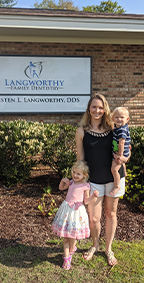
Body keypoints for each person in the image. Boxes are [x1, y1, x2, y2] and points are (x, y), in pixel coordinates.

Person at [75, 93, 129, 266]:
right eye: (94, 107)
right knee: (94, 218)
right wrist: (78, 181)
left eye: (100, 107)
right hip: (94, 181)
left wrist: (125, 159)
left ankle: (108, 249)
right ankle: (95, 245)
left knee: (111, 213)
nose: (97, 110)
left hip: (114, 179)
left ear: (104, 109)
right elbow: (81, 158)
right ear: (89, 109)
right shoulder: (81, 131)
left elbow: (127, 146)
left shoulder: (113, 128)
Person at [52, 160, 99, 270]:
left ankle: (72, 249)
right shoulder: (71, 182)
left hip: (76, 212)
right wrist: (63, 181)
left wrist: (93, 197)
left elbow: (86, 201)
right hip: (67, 210)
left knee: (72, 237)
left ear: (84, 175)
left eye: (78, 174)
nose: (75, 175)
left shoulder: (85, 186)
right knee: (65, 237)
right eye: (74, 172)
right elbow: (60, 188)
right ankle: (67, 258)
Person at [110, 107, 131, 196]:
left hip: (120, 153)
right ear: (112, 119)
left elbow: (121, 143)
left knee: (114, 170)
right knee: (122, 164)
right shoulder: (118, 127)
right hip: (122, 152)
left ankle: (116, 186)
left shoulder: (122, 130)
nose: (119, 119)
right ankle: (125, 172)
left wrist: (120, 155)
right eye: (117, 117)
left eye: (122, 117)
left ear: (127, 119)